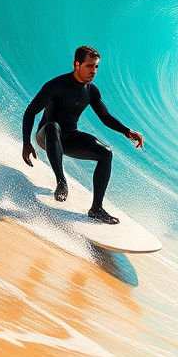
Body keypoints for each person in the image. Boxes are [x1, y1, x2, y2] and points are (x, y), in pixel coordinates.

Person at [21, 45, 144, 224]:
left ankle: (96, 209)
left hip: (69, 137)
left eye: (96, 66)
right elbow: (30, 111)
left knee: (106, 153)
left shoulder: (91, 90)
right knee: (53, 126)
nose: (93, 70)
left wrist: (126, 131)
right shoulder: (56, 85)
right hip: (46, 135)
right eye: (89, 66)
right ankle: (61, 181)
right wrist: (26, 143)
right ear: (77, 64)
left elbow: (105, 117)